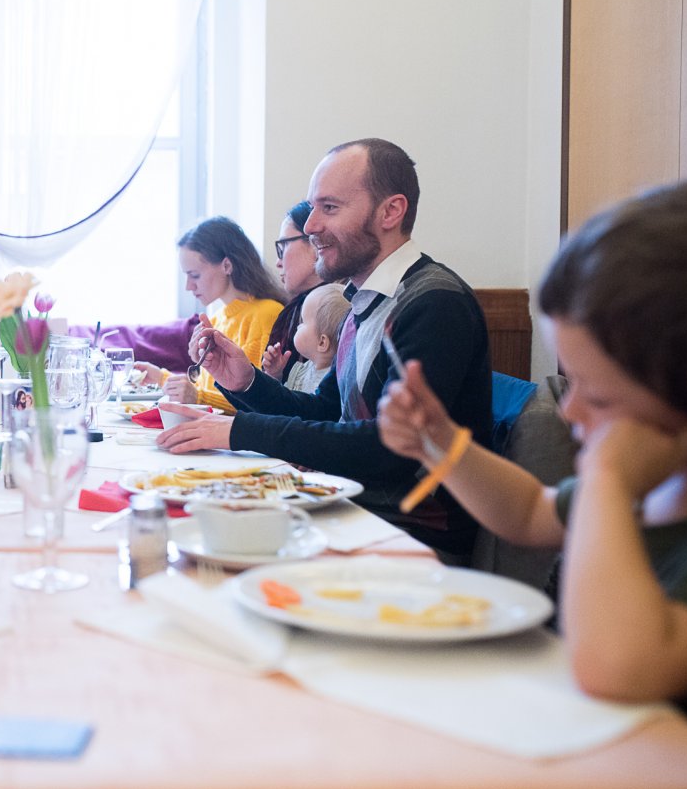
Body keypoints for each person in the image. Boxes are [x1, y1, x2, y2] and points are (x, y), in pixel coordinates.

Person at [378, 184, 687, 711]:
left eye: (599, 397)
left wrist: (607, 480)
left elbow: (616, 666)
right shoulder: (648, 484)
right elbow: (526, 511)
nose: (570, 411)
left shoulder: (622, 485)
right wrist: (442, 443)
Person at [158, 139, 492, 560]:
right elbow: (327, 411)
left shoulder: (435, 303)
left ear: (391, 211)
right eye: (314, 207)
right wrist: (246, 383)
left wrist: (239, 430)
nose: (312, 225)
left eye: (329, 208)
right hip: (355, 512)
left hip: (409, 537)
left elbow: (391, 449)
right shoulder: (363, 301)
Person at [143, 216, 287, 412]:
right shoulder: (217, 319)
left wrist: (198, 398)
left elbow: (257, 402)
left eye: (195, 275)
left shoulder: (266, 314)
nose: (188, 286)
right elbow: (209, 391)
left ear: (227, 266)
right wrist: (161, 378)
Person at [261, 200, 325, 385]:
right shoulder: (292, 311)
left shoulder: (336, 306)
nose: (278, 262)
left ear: (315, 245)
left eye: (283, 247)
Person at [264, 282, 349, 393]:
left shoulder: (329, 387)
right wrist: (275, 375)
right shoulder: (304, 370)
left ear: (322, 343)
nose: (298, 326)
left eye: (303, 322)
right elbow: (281, 399)